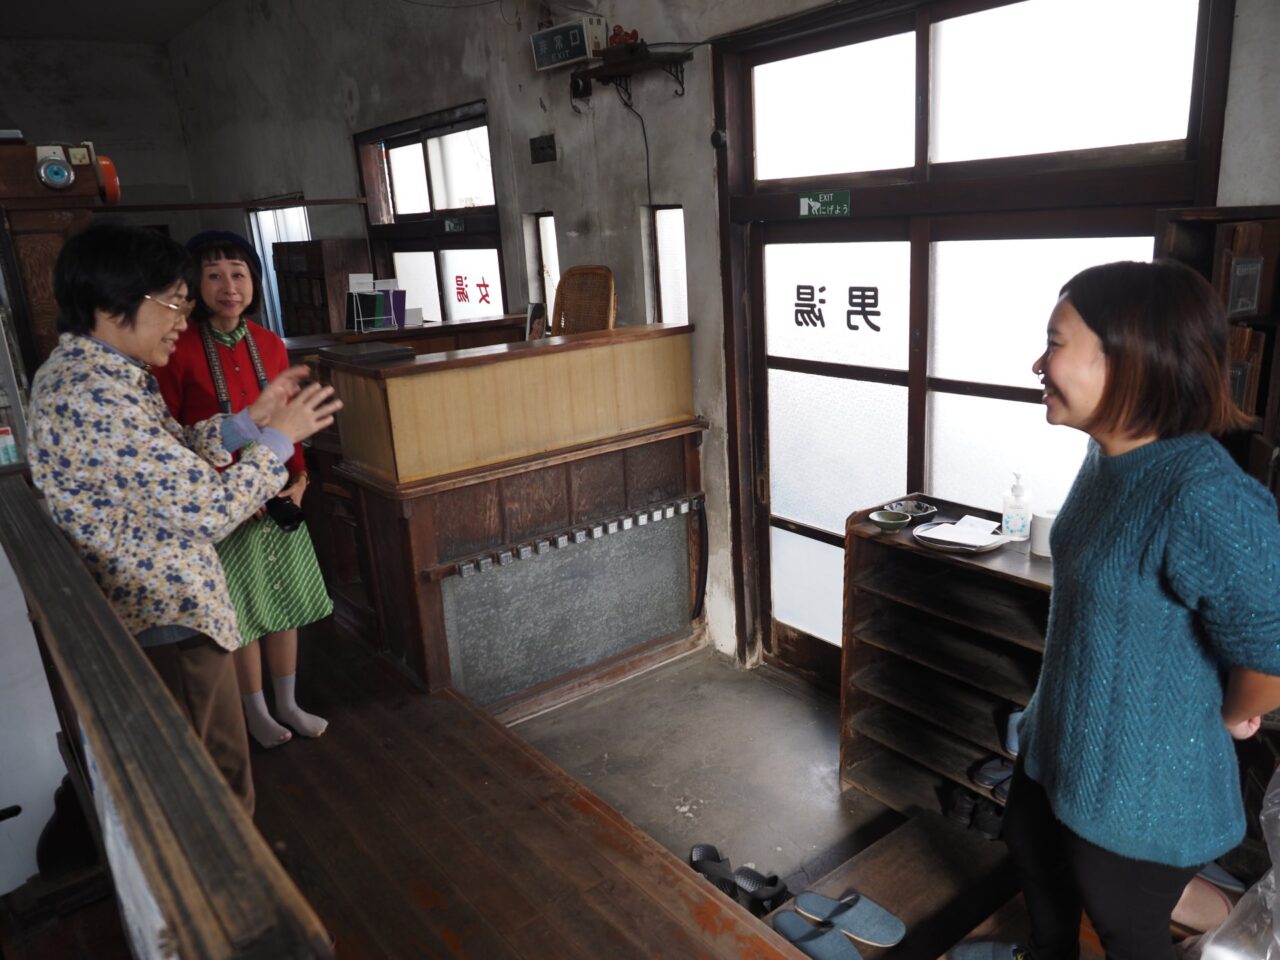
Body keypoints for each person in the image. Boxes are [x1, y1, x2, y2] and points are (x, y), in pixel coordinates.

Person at [950, 259, 1280, 960]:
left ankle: (1209, 910)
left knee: (1127, 934)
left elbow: (1272, 652)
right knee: (1040, 890)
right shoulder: (1109, 458)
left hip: (1142, 796)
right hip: (1057, 750)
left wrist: (1218, 717)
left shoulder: (1204, 494)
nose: (1038, 362)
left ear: (1130, 359)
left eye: (1056, 342)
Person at [27, 221, 341, 813]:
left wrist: (249, 423)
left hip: (169, 605)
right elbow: (208, 509)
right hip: (164, 615)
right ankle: (231, 897)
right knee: (209, 790)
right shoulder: (91, 393)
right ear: (110, 302)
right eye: (173, 301)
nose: (181, 317)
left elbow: (174, 447)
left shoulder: (105, 375)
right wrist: (277, 439)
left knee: (212, 774)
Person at [154, 230, 332, 749]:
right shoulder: (177, 349)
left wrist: (299, 480)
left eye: (238, 273)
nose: (228, 285)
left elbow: (289, 422)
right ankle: (254, 711)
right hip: (222, 506)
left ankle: (289, 704)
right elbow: (177, 440)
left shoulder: (271, 344)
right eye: (213, 275)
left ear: (253, 282)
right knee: (242, 613)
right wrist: (229, 491)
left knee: (285, 605)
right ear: (194, 284)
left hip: (276, 498)